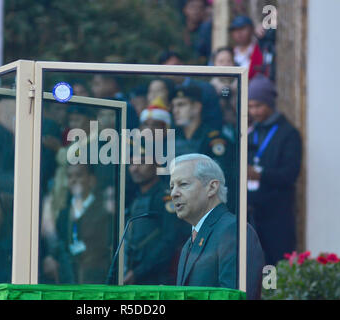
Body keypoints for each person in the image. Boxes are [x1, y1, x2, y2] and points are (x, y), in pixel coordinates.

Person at [170, 153, 264, 300]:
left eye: (183, 184)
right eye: (172, 186)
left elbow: (234, 296)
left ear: (212, 188)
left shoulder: (233, 230)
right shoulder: (191, 241)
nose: (174, 193)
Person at [247, 74, 302, 266]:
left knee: (276, 269)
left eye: (259, 106)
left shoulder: (288, 134)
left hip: (277, 217)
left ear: (270, 103)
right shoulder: (251, 132)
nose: (254, 111)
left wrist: (259, 174)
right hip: (253, 215)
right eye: (250, 106)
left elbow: (290, 174)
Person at [124, 141, 190, 285]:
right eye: (131, 163)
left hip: (158, 279)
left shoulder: (166, 198)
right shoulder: (134, 198)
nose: (134, 168)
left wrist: (138, 272)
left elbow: (169, 240)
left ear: (157, 165)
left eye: (142, 162)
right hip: (135, 274)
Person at [52, 164, 113, 284]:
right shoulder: (64, 213)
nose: (73, 180)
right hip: (69, 280)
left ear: (91, 180)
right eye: (70, 176)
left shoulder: (104, 210)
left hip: (97, 281)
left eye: (79, 175)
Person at [159, 51, 223, 130]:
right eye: (166, 69)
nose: (172, 71)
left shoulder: (205, 89)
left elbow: (214, 120)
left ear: (182, 65)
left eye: (175, 66)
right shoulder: (163, 92)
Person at [210, 47, 238, 143]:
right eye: (221, 61)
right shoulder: (210, 88)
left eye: (229, 61)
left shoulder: (242, 85)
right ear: (214, 64)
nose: (225, 65)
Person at [229, 16, 264, 80]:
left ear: (251, 29)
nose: (239, 33)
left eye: (242, 28)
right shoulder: (230, 52)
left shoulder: (261, 49)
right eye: (235, 30)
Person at [181, 0, 212, 65]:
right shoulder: (177, 30)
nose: (196, 11)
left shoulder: (206, 31)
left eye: (200, 8)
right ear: (185, 9)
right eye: (192, 7)